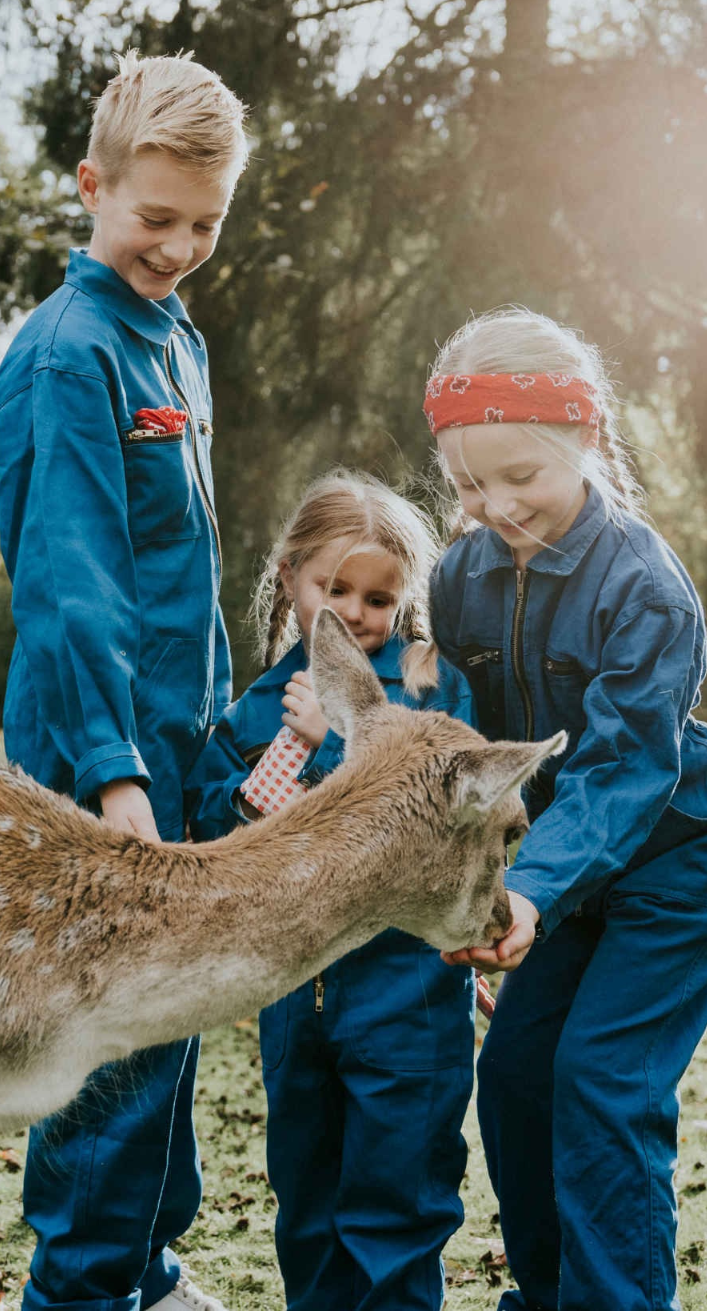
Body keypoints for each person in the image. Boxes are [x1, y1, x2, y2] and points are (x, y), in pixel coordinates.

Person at [424, 307, 707, 1311]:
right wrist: (478, 894)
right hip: (553, 881)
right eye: (468, 485)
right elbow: (463, 749)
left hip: (678, 859)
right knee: (520, 1083)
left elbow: (621, 770)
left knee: (601, 1086)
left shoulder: (642, 586)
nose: (496, 504)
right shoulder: (458, 580)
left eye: (519, 476)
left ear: (584, 439)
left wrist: (528, 895)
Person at [0, 51, 249, 1311]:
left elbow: (183, 583)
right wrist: (113, 777)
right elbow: (71, 586)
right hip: (102, 772)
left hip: (184, 753)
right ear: (90, 187)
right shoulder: (68, 354)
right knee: (105, 1052)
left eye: (205, 223)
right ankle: (83, 1292)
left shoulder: (176, 343)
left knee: (170, 1033)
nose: (179, 245)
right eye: (154, 219)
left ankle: (144, 1274)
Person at [185, 471, 480, 1311]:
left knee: (399, 1205)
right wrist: (269, 767)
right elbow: (217, 820)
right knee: (307, 1205)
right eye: (334, 587)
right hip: (294, 999)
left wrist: (338, 738)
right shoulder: (258, 703)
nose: (355, 611)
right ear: (289, 578)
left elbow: (430, 808)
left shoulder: (426, 685)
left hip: (405, 997)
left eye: (378, 596)